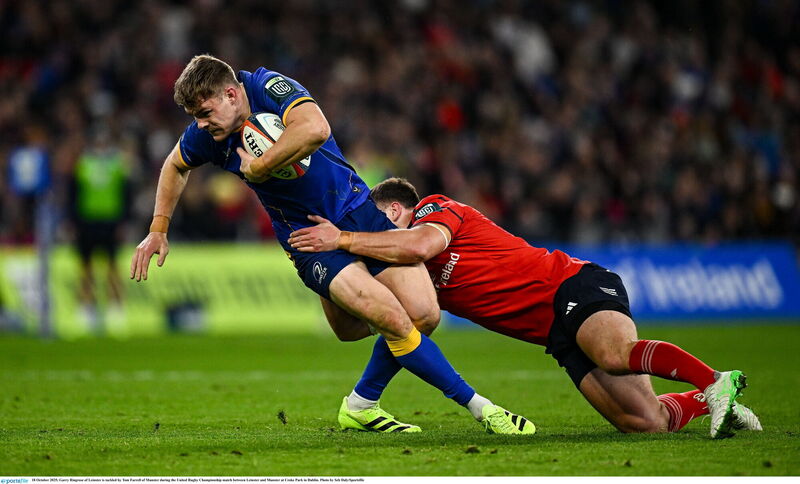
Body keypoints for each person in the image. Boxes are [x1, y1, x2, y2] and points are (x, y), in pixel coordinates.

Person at [129, 55, 533, 435]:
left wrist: (260, 166)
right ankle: (483, 409)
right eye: (195, 117)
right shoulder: (208, 136)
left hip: (358, 211)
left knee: (424, 314)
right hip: (308, 238)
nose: (200, 124)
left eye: (204, 112)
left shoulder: (268, 86)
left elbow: (315, 129)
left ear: (231, 94)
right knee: (394, 320)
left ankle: (360, 404)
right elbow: (174, 165)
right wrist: (158, 228)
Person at [288, 177, 763, 438]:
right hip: (554, 335)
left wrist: (344, 238)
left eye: (375, 220)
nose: (371, 231)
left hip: (570, 285)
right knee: (643, 422)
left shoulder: (433, 209)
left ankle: (715, 381)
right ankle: (707, 401)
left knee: (615, 353)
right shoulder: (404, 279)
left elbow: (420, 245)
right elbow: (362, 329)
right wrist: (328, 271)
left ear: (393, 211)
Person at [67, 125, 131, 335]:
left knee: (112, 267)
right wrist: (73, 221)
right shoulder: (83, 163)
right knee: (86, 267)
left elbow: (125, 194)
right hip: (87, 221)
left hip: (110, 220)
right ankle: (87, 309)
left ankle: (116, 310)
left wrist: (123, 221)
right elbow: (73, 194)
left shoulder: (117, 164)